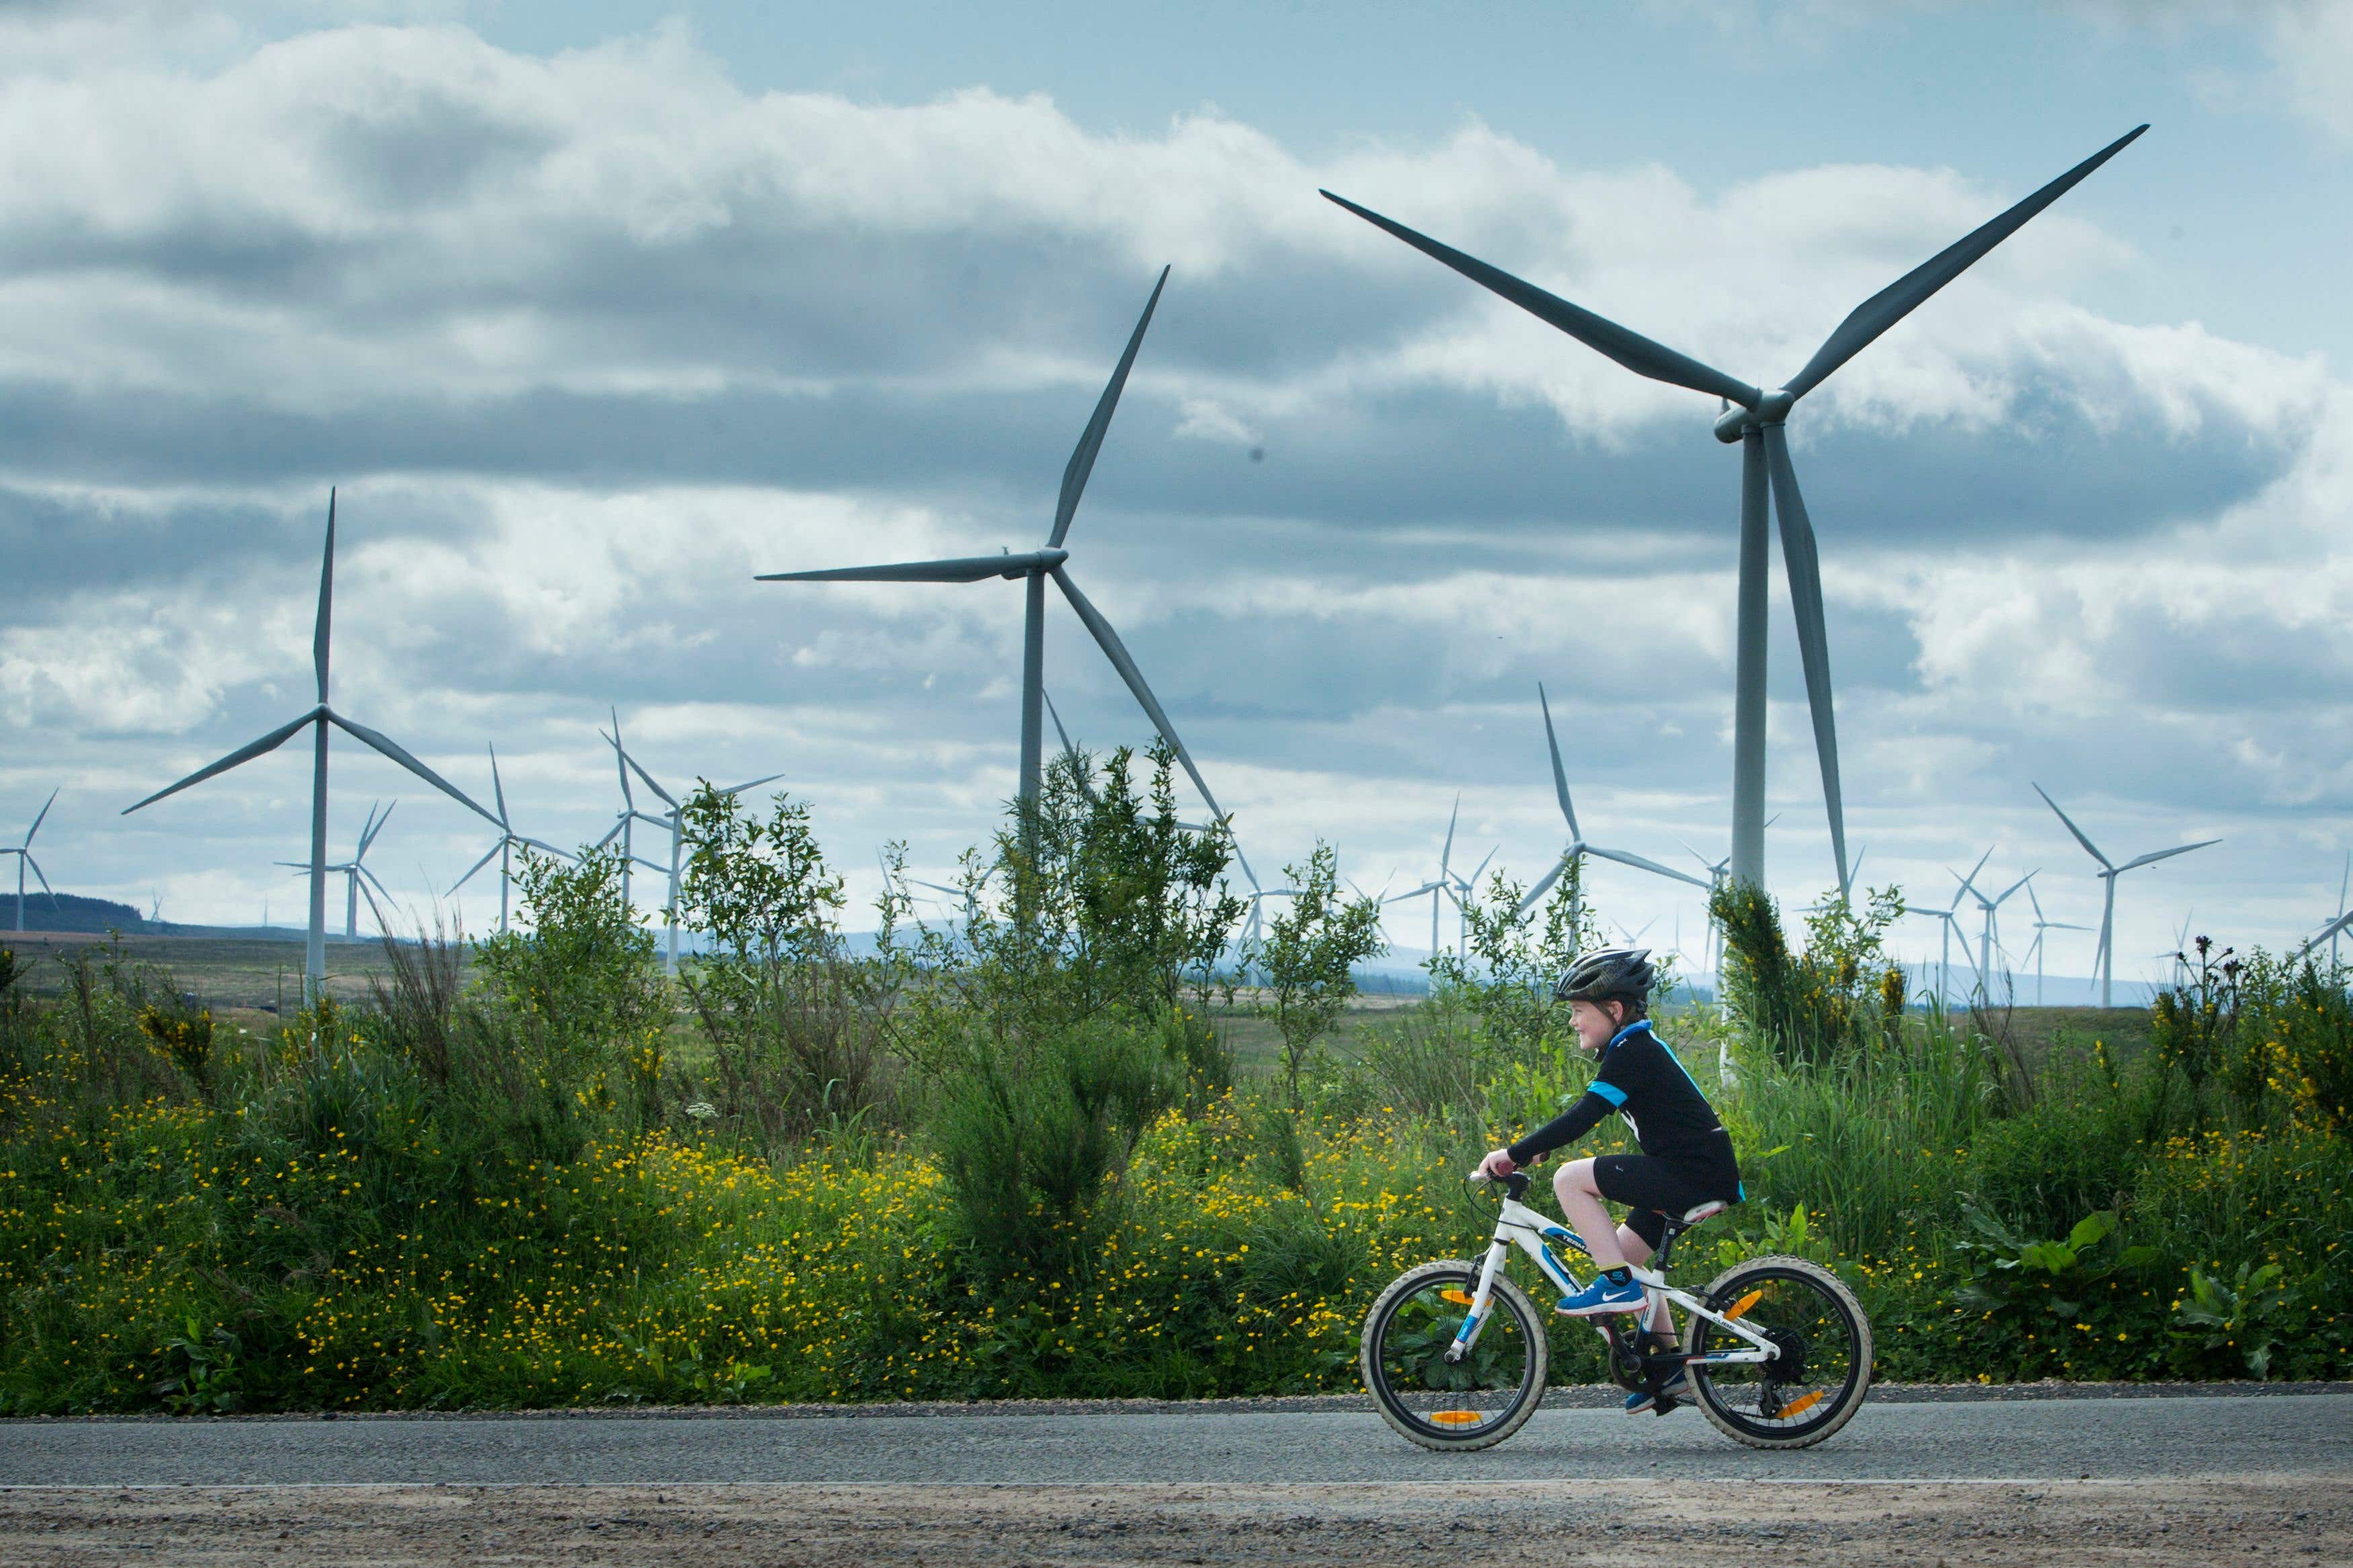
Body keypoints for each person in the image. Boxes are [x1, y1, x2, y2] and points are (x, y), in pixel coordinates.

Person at [1472, 946, 1743, 1415]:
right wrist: (1538, 1144)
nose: (1573, 1022)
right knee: (1625, 1255)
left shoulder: (1632, 1051)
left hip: (1690, 1174)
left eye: (1579, 1011)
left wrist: (1512, 1154)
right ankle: (1672, 1365)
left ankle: (1616, 1284)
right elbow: (1586, 1116)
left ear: (1613, 1010)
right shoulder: (1634, 1048)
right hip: (1694, 1172)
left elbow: (1584, 1116)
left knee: (1570, 1180)